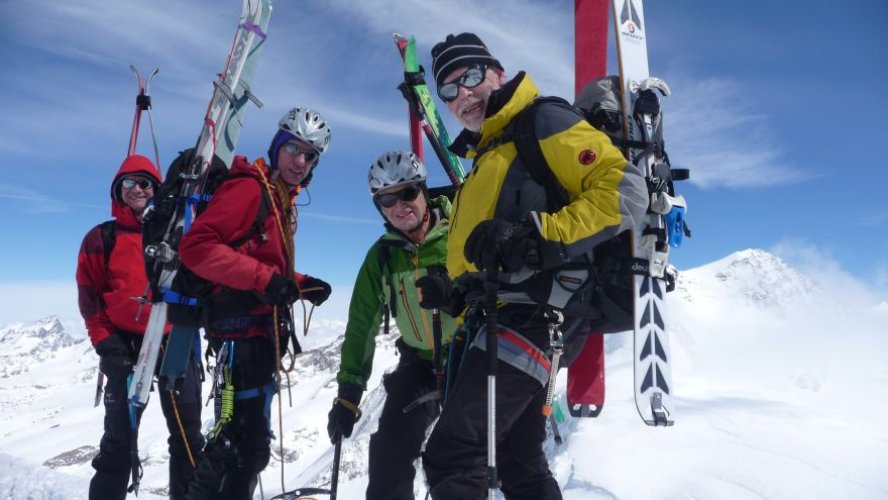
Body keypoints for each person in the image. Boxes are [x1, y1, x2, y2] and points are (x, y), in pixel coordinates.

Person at [418, 33, 648, 499]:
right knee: (516, 458)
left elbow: (626, 191)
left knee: (453, 454)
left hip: (537, 315)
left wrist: (538, 238)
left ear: (498, 72)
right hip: (508, 315)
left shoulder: (542, 121)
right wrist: (458, 290)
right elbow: (495, 253)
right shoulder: (488, 154)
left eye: (472, 77)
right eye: (449, 90)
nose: (462, 94)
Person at [179, 107, 333, 499]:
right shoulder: (250, 189)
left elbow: (258, 260)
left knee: (248, 447)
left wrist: (300, 285)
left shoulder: (280, 198)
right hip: (239, 337)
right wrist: (269, 281)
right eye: (294, 149)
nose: (300, 161)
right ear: (277, 147)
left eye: (310, 155)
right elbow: (196, 248)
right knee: (240, 446)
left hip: (254, 336)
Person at [326, 151, 457, 499]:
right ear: (378, 206)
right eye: (387, 198)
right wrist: (349, 394)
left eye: (407, 193)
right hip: (418, 364)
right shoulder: (382, 257)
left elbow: (495, 287)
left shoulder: (459, 233)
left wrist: (457, 294)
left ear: (424, 192)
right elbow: (361, 326)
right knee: (388, 457)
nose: (399, 205)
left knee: (458, 459)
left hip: (468, 356)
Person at [77, 154, 205, 500]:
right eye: (128, 183)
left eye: (145, 182)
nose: (137, 189)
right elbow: (90, 300)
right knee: (118, 442)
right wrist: (106, 344)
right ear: (117, 191)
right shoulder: (101, 238)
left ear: (157, 190)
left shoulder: (179, 234)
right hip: (123, 345)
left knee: (187, 438)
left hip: (174, 340)